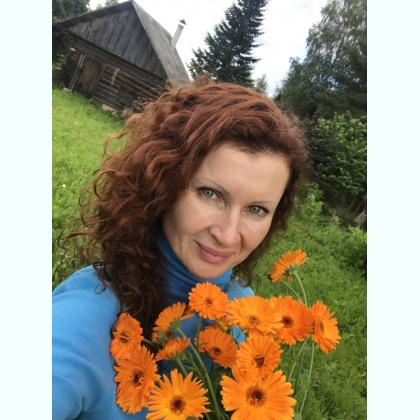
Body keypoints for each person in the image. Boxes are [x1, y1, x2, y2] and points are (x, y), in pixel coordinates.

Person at [52, 76, 308, 419]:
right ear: (163, 183)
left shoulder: (247, 315)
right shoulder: (85, 319)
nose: (228, 235)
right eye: (210, 193)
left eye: (257, 209)